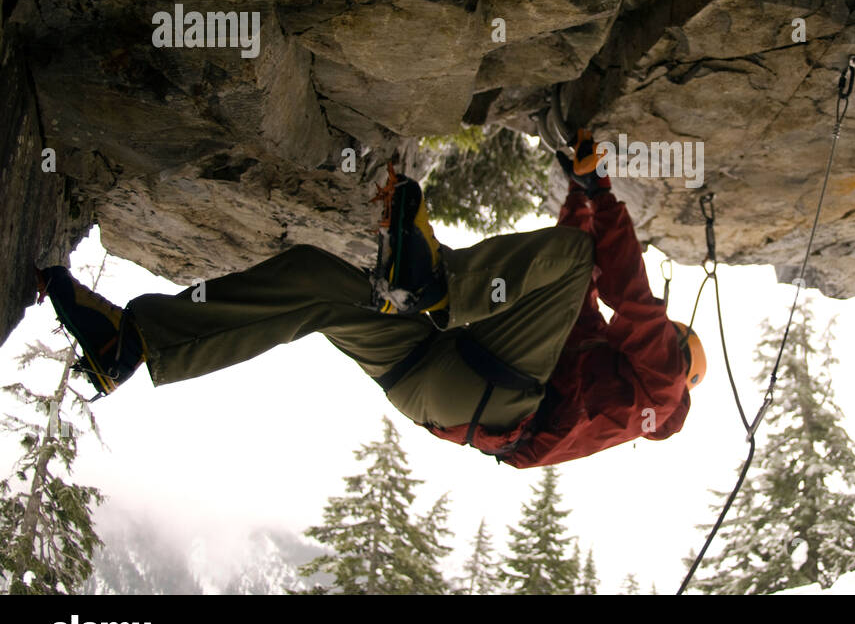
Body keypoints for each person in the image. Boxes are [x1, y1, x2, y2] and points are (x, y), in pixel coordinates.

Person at [33, 134, 706, 468]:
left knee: (576, 260)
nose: (668, 333)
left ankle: (439, 283)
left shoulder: (664, 383)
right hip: (440, 390)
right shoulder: (603, 361)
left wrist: (605, 194)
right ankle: (138, 343)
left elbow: (628, 296)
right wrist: (583, 189)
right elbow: (575, 279)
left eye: (679, 338)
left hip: (491, 392)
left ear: (683, 364)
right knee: (315, 282)